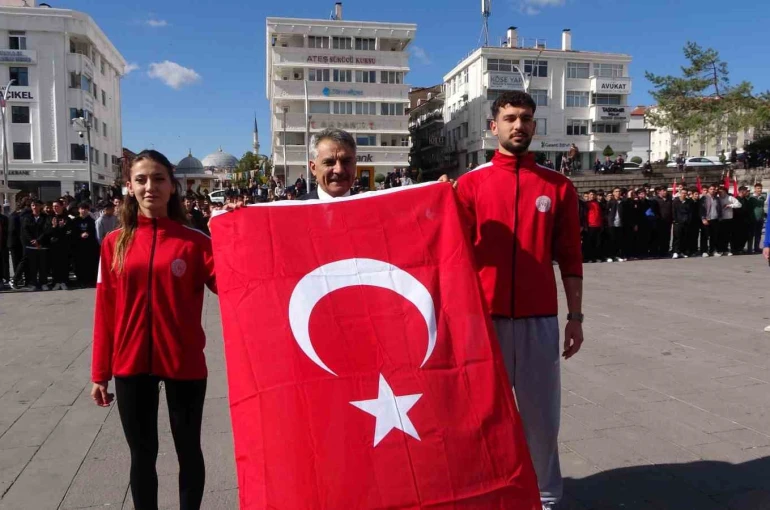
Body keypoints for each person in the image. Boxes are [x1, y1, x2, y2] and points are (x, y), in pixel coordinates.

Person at [455, 91, 583, 509]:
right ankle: (485, 492)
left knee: (541, 421)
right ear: (493, 126)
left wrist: (575, 316)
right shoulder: (469, 186)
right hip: (485, 322)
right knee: (480, 418)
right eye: (510, 117)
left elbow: (570, 257)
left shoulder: (558, 187)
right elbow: (447, 248)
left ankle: (545, 498)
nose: (519, 125)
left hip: (539, 319)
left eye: (526, 118)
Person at [91, 149, 217, 510]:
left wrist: (241, 230)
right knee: (142, 455)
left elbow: (233, 285)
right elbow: (105, 311)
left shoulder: (195, 242)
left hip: (185, 363)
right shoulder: (114, 244)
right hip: (130, 366)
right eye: (141, 179)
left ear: (172, 186)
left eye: (158, 179)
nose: (150, 187)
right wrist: (100, 372)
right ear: (129, 186)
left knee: (188, 450)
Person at [21, 198, 50, 290]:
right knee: (32, 266)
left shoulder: (45, 217)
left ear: (40, 206)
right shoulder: (27, 217)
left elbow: (46, 230)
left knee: (43, 265)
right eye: (33, 205)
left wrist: (38, 240)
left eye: (36, 205)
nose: (35, 207)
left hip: (42, 245)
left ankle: (43, 283)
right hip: (31, 245)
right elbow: (25, 230)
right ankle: (33, 283)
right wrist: (32, 241)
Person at [72, 202, 99, 287]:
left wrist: (88, 234)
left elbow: (95, 233)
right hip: (78, 246)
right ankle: (80, 280)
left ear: (88, 210)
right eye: (81, 209)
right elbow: (72, 233)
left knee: (90, 263)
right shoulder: (75, 221)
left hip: (89, 246)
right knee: (79, 263)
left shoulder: (92, 221)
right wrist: (80, 235)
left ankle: (90, 280)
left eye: (85, 209)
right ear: (78, 210)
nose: (83, 211)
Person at [48, 200, 73, 290]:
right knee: (55, 265)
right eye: (53, 206)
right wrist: (54, 227)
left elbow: (69, 232)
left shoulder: (67, 219)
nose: (55, 208)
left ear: (62, 207)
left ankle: (64, 281)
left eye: (57, 206)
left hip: (64, 245)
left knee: (64, 264)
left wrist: (62, 227)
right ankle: (56, 282)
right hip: (54, 245)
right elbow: (48, 232)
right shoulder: (50, 218)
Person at [717, 186, 742, 256]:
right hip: (720, 219)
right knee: (720, 236)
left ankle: (725, 249)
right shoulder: (718, 198)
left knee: (727, 236)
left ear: (725, 191)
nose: (721, 193)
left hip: (728, 219)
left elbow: (739, 205)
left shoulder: (730, 198)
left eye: (722, 191)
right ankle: (719, 249)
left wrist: (730, 205)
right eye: (719, 192)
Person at [700, 184, 720, 257]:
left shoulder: (717, 198)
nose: (712, 190)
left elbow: (719, 208)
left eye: (714, 189)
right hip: (706, 219)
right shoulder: (704, 198)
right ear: (708, 190)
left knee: (714, 236)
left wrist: (719, 217)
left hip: (715, 219)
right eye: (711, 189)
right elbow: (701, 209)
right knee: (705, 236)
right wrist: (703, 218)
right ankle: (704, 251)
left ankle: (712, 250)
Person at [671, 187, 692, 259]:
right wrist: (675, 220)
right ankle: (675, 252)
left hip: (686, 222)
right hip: (677, 222)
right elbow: (673, 211)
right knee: (677, 238)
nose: (684, 195)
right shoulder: (675, 201)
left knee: (684, 238)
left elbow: (689, 212)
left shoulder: (688, 201)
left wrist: (688, 220)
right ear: (680, 193)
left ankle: (682, 252)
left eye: (685, 193)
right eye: (683, 193)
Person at [654, 186, 673, 257]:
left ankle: (665, 251)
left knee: (667, 237)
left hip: (668, 221)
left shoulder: (669, 199)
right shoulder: (655, 199)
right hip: (659, 221)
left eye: (666, 190)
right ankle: (658, 252)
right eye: (663, 190)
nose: (665, 192)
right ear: (659, 191)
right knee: (658, 237)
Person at [749, 183, 766, 254]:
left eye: (760, 188)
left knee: (758, 234)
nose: (760, 190)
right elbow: (749, 209)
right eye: (758, 188)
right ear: (755, 189)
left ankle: (756, 248)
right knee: (751, 234)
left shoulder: (762, 198)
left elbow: (761, 208)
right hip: (753, 218)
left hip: (760, 219)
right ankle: (749, 249)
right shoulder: (751, 198)